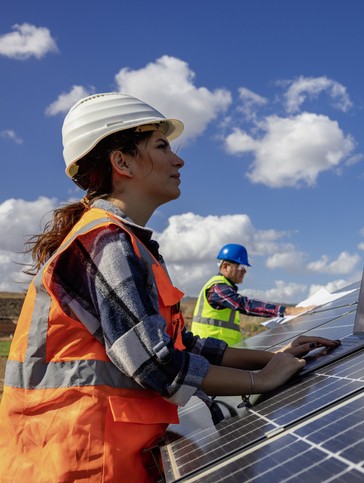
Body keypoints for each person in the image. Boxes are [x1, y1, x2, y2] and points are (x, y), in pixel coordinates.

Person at [0, 92, 339, 482]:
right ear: (122, 162)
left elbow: (183, 346)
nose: (178, 160)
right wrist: (260, 381)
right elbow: (157, 364)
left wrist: (271, 357)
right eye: (162, 146)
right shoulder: (105, 244)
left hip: (100, 450)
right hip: (79, 460)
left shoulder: (127, 244)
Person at [191, 243, 313, 345]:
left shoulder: (224, 288)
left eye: (246, 267)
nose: (244, 271)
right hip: (210, 352)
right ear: (225, 266)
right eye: (241, 266)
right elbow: (244, 305)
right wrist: (286, 311)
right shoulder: (217, 288)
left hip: (223, 351)